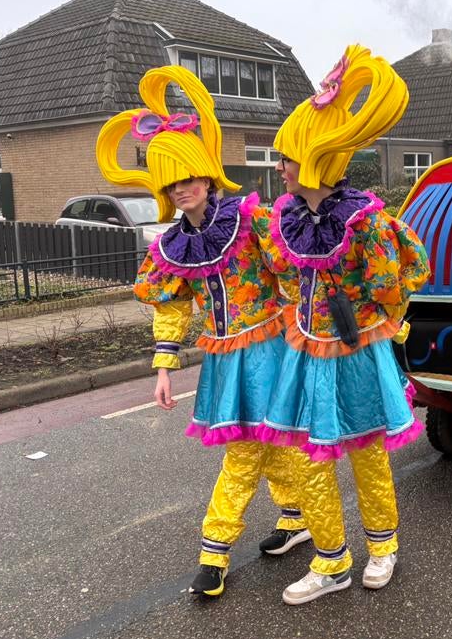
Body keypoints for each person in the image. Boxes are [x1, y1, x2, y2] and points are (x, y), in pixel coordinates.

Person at [96, 65, 312, 599]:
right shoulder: (173, 246)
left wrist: (313, 332)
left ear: (207, 174)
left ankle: (213, 553)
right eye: (171, 182)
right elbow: (171, 308)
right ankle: (299, 516)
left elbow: (293, 270)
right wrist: (165, 367)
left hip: (271, 346)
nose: (181, 188)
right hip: (224, 357)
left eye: (188, 177)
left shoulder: (250, 221)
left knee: (244, 450)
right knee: (270, 443)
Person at [257, 44, 430, 605]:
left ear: (309, 160)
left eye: (284, 159)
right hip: (306, 353)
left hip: (355, 353)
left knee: (366, 455)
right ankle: (331, 560)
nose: (277, 168)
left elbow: (401, 278)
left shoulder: (365, 220)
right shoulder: (285, 219)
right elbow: (280, 277)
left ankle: (383, 548)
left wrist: (373, 313)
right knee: (312, 459)